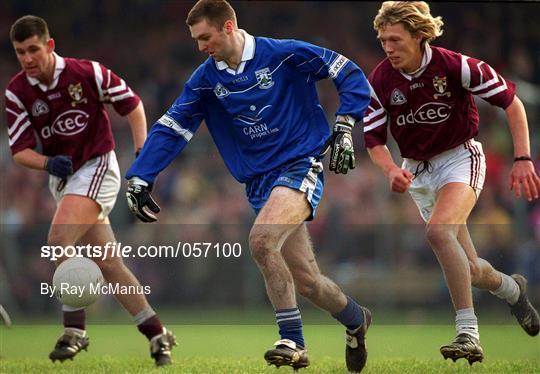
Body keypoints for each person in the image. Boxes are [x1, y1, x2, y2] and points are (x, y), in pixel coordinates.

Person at [125, 0, 372, 371]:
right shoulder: (206, 79)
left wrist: (345, 125)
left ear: (227, 27)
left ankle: (293, 341)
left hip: (299, 164)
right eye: (195, 39)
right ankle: (356, 320)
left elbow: (348, 72)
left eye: (204, 37)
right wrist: (142, 174)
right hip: (259, 182)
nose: (200, 46)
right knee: (308, 281)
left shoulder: (284, 54)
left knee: (261, 240)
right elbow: (173, 126)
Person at [363, 1, 540, 365]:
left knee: (438, 233)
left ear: (419, 35)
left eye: (395, 40)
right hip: (418, 170)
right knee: (471, 269)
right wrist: (390, 170)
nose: (388, 48)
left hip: (461, 158)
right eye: (383, 40)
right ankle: (512, 290)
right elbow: (374, 140)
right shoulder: (380, 79)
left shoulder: (455, 65)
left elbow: (512, 103)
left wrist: (522, 158)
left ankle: (468, 333)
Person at [5, 15, 176, 366]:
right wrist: (47, 164)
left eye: (33, 49)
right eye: (20, 52)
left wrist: (142, 154)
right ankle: (157, 333)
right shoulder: (17, 91)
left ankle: (75, 330)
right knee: (110, 264)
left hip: (98, 166)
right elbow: (20, 152)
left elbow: (133, 105)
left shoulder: (87, 73)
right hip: (65, 180)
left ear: (49, 46)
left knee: (58, 242)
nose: (27, 58)